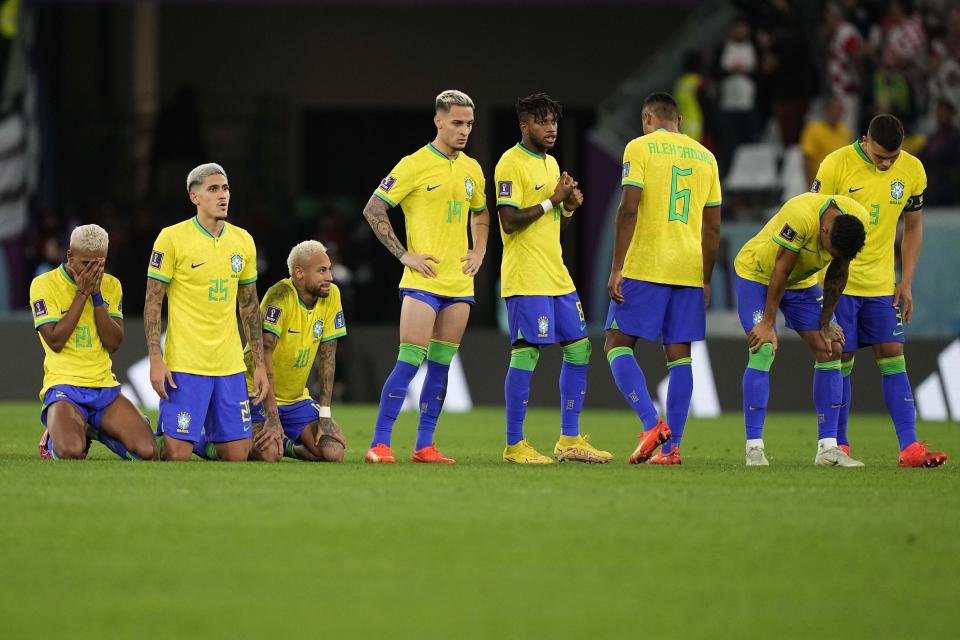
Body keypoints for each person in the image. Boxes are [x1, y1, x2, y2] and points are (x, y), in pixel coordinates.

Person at [361, 90, 489, 464]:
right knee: (409, 362)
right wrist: (405, 255)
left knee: (441, 367)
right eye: (457, 123)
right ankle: (380, 444)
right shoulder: (414, 164)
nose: (464, 131)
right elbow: (374, 208)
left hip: (459, 283)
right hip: (422, 282)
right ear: (438, 120)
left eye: (469, 124)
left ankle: (424, 445)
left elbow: (480, 213)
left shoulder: (473, 169)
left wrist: (479, 250)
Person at [812, 114, 948, 467]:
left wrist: (906, 281)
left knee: (893, 353)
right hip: (838, 284)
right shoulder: (836, 164)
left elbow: (914, 227)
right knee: (840, 358)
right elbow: (814, 219)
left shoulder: (913, 170)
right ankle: (838, 445)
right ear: (865, 141)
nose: (887, 163)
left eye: (893, 157)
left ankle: (910, 447)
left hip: (881, 284)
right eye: (880, 157)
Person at [605, 92, 722, 466]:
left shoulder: (639, 148)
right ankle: (672, 451)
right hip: (687, 269)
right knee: (680, 356)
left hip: (645, 264)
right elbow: (714, 228)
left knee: (616, 344)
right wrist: (705, 279)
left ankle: (650, 424)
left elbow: (628, 209)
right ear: (680, 122)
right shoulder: (706, 157)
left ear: (647, 118)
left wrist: (616, 267)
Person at [495, 93, 611, 465]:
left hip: (556, 274)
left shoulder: (551, 163)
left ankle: (569, 439)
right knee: (527, 352)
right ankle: (515, 444)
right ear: (524, 125)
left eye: (555, 122)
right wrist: (553, 200)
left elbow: (551, 220)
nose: (551, 129)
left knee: (580, 348)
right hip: (526, 276)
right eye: (542, 122)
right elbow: (509, 222)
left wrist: (569, 207)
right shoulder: (510, 164)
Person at [144, 163, 271, 462]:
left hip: (229, 364)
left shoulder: (243, 241)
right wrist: (155, 357)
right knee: (176, 456)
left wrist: (260, 365)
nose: (223, 195)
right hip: (186, 364)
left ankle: (197, 441)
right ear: (195, 197)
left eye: (225, 188)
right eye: (213, 189)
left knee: (238, 455)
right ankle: (156, 435)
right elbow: (153, 301)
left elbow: (250, 307)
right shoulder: (171, 238)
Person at [734, 192, 867, 467]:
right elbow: (780, 270)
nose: (831, 256)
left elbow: (838, 273)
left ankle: (828, 449)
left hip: (801, 284)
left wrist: (827, 319)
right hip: (758, 275)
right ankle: (754, 448)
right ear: (825, 229)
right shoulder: (801, 215)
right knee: (764, 347)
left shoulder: (855, 222)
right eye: (830, 249)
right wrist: (768, 324)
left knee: (832, 349)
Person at [193, 240, 348, 462]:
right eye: (322, 271)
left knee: (333, 452)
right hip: (255, 395)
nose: (330, 277)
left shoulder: (331, 295)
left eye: (329, 269)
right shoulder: (279, 296)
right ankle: (204, 442)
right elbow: (264, 355)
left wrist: (325, 415)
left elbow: (328, 357)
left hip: (295, 400)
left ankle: (287, 446)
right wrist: (273, 416)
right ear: (299, 272)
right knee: (268, 453)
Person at [30, 224, 157, 460]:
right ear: (69, 256)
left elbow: (113, 343)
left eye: (98, 264)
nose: (92, 270)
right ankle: (53, 437)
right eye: (85, 263)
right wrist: (81, 294)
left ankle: (93, 427)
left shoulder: (111, 285)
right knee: (70, 451)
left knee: (147, 452)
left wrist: (96, 296)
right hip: (64, 387)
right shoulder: (43, 284)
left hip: (103, 387)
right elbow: (55, 340)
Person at [799, 94, 854, 185]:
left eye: (839, 110)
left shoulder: (846, 132)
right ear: (826, 109)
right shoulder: (813, 129)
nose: (837, 113)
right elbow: (807, 161)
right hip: (820, 182)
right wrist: (810, 186)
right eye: (834, 109)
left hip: (841, 183)